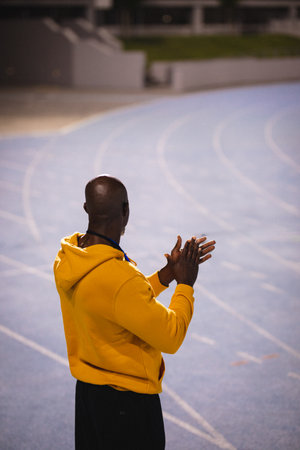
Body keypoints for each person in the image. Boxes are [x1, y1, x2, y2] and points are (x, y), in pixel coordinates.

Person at [53, 175, 216, 450]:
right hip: (127, 405)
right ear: (126, 211)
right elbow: (171, 336)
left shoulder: (68, 258)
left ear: (86, 209)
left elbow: (112, 303)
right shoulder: (120, 278)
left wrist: (164, 276)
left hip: (89, 395)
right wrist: (185, 284)